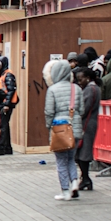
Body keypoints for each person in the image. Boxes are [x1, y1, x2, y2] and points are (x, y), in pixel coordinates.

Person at [43, 58, 82, 201]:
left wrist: (49, 127)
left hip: (59, 129)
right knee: (71, 158)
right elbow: (81, 109)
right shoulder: (76, 88)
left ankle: (65, 191)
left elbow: (49, 111)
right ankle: (75, 182)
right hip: (74, 127)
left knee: (61, 160)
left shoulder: (52, 89)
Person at [73, 66, 101, 196]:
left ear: (88, 78)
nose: (79, 82)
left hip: (87, 124)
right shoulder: (93, 88)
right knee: (81, 152)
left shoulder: (91, 89)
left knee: (83, 152)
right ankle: (85, 178)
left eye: (81, 79)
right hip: (89, 123)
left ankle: (86, 179)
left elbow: (84, 107)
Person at [0, 57, 18, 156]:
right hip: (4, 102)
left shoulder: (8, 75)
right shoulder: (3, 75)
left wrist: (7, 104)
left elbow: (10, 90)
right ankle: (7, 147)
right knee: (5, 124)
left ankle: (1, 147)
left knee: (3, 125)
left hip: (6, 103)